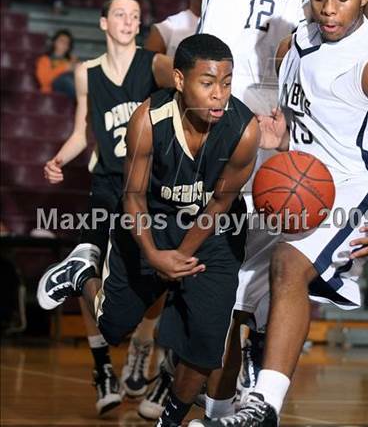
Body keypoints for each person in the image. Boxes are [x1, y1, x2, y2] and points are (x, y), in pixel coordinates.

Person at [168, 0, 368, 419]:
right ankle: (214, 392)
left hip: (279, 139)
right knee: (212, 276)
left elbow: (366, 28)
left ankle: (246, 390)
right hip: (219, 122)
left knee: (266, 273)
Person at [37, 33, 261, 427]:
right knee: (113, 328)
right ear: (179, 80)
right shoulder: (146, 120)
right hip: (150, 223)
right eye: (207, 83)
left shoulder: (244, 130)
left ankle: (169, 421)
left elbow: (220, 204)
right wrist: (156, 255)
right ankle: (84, 273)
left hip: (213, 234)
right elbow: (134, 198)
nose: (219, 94)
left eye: (226, 83)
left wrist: (182, 256)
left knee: (207, 345)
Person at [36, 0, 174, 415]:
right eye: (120, 14)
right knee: (85, 269)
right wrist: (60, 157)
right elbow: (83, 131)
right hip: (106, 183)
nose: (129, 21)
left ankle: (142, 344)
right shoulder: (86, 73)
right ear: (103, 23)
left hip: (146, 186)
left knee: (151, 274)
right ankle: (102, 368)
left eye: (135, 16)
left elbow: (183, 77)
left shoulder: (152, 65)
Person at [133, 0, 206, 421]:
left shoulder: (240, 19)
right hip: (172, 159)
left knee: (203, 269)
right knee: (164, 270)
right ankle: (144, 344)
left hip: (215, 158)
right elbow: (145, 81)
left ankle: (172, 374)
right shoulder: (171, 27)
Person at [35, 29, 78, 99]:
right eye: (61, 41)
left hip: (70, 88)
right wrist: (64, 68)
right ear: (54, 42)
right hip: (52, 88)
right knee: (65, 79)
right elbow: (44, 81)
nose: (64, 44)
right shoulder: (45, 59)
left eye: (67, 43)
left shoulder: (71, 60)